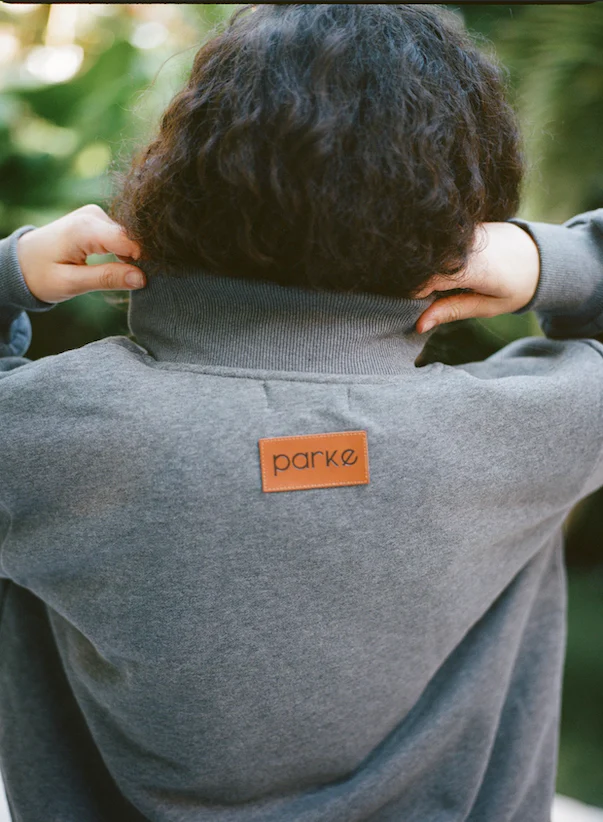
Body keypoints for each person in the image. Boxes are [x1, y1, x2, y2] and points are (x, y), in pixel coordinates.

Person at [1, 4, 603, 821]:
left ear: (180, 173)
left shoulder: (49, 431)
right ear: (464, 225)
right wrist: (551, 259)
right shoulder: (531, 430)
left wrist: (12, 271)